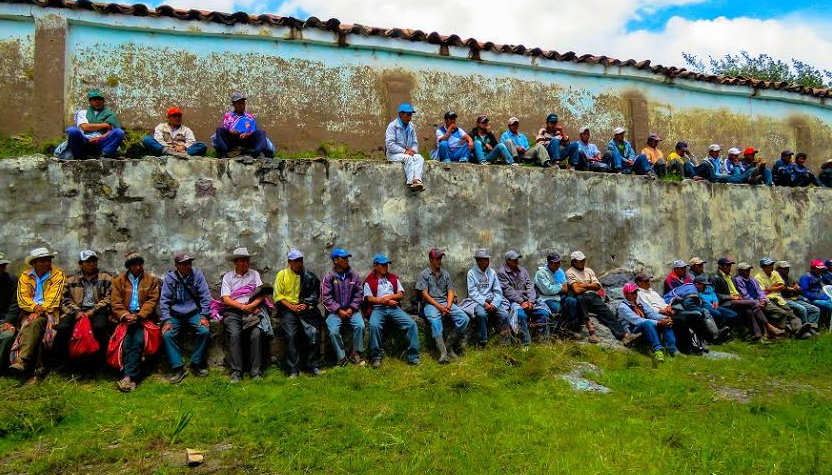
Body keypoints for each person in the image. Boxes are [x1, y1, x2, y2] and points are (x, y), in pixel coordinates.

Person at [8, 248, 66, 383]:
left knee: (36, 324)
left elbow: (54, 298)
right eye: (43, 261)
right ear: (34, 263)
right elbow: (22, 298)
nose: (47, 263)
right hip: (29, 312)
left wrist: (40, 311)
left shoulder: (58, 275)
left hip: (50, 312)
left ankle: (22, 361)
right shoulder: (25, 276)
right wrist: (34, 308)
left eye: (49, 260)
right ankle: (36, 372)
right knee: (36, 329)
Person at [218, 247, 271, 383]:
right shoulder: (228, 277)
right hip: (234, 311)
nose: (245, 264)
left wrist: (252, 306)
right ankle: (236, 372)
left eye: (246, 261)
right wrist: (242, 306)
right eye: (242, 261)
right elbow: (226, 298)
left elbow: (262, 294)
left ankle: (256, 372)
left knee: (256, 334)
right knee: (235, 335)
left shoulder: (254, 274)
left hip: (252, 310)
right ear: (235, 262)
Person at [55, 250, 112, 375]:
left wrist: (93, 310)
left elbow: (109, 298)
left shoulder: (106, 277)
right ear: (80, 264)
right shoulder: (71, 279)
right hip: (76, 310)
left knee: (99, 328)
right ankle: (69, 365)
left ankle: (97, 365)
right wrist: (77, 312)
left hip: (98, 310)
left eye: (94, 261)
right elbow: (64, 300)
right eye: (88, 261)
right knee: (63, 329)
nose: (92, 264)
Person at [110, 252, 161, 392]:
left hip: (142, 318)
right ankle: (131, 377)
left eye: (140, 264)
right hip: (126, 318)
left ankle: (127, 377)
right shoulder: (118, 281)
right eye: (135, 265)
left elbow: (152, 301)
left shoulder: (151, 280)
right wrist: (126, 315)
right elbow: (115, 302)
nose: (138, 267)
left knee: (138, 340)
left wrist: (139, 316)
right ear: (129, 267)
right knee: (126, 341)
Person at [160, 252, 212, 383]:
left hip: (193, 313)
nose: (188, 266)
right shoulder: (170, 279)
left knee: (204, 331)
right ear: (177, 265)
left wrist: (204, 316)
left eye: (189, 263)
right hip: (175, 314)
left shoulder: (197, 275)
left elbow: (205, 296)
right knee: (167, 335)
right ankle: (178, 367)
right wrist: (166, 319)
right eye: (184, 264)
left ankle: (196, 363)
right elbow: (164, 300)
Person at [566, 251, 638, 345]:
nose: (583, 262)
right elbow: (576, 290)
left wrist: (583, 285)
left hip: (592, 295)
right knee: (580, 299)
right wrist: (589, 285)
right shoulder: (570, 272)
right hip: (580, 297)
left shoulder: (589, 271)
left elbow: (597, 286)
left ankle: (624, 336)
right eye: (580, 261)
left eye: (584, 260)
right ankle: (591, 331)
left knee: (606, 312)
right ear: (574, 262)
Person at [364, 254, 420, 368]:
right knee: (374, 325)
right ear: (375, 266)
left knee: (411, 324)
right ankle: (376, 357)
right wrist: (384, 301)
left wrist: (389, 298)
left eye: (386, 265)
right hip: (377, 308)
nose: (386, 267)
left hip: (393, 308)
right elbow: (369, 298)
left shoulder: (393, 278)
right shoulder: (369, 280)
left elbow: (400, 294)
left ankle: (413, 356)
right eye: (383, 265)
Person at [274, 250, 323, 377]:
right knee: (291, 335)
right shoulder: (282, 275)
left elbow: (315, 293)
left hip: (305, 309)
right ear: (289, 262)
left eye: (300, 260)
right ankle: (293, 369)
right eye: (295, 261)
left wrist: (306, 304)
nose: (298, 263)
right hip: (288, 310)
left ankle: (313, 365)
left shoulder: (309, 276)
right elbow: (278, 296)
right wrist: (292, 307)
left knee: (314, 332)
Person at [416, 248, 469, 363]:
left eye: (440, 258)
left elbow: (450, 291)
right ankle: (443, 353)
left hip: (445, 303)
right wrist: (440, 307)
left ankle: (449, 346)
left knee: (464, 318)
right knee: (435, 323)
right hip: (430, 304)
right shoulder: (424, 274)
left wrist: (448, 306)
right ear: (430, 260)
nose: (439, 261)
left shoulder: (445, 274)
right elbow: (424, 295)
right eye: (436, 258)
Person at [710, 257, 782, 341]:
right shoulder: (715, 277)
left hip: (738, 300)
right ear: (720, 266)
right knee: (754, 303)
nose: (729, 267)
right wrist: (731, 297)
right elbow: (715, 295)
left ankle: (757, 336)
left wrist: (762, 300)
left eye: (730, 265)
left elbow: (753, 292)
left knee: (749, 311)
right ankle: (769, 327)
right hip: (727, 302)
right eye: (727, 265)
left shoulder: (731, 277)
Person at [321, 248, 365, 366]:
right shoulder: (329, 277)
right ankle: (341, 357)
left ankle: (355, 353)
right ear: (335, 260)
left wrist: (351, 308)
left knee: (360, 325)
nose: (346, 260)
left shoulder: (354, 276)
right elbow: (326, 298)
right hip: (334, 312)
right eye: (343, 258)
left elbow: (359, 294)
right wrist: (338, 310)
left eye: (347, 258)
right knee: (333, 331)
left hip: (352, 310)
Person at [497, 251, 551, 346]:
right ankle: (525, 344)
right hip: (514, 302)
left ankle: (544, 341)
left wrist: (531, 301)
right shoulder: (502, 273)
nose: (517, 261)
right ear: (508, 261)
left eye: (517, 259)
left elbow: (530, 286)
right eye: (514, 259)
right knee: (521, 315)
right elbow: (508, 291)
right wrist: (521, 302)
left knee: (544, 313)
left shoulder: (523, 270)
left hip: (528, 300)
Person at [460, 249, 511, 346]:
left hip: (492, 300)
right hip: (477, 301)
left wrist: (494, 304)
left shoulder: (492, 272)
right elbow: (472, 292)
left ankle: (505, 342)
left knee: (504, 314)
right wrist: (484, 303)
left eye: (487, 260)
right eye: (484, 260)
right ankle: (483, 341)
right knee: (481, 315)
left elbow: (498, 291)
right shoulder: (471, 273)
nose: (487, 262)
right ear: (478, 261)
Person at [733, 262, 797, 337]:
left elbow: (760, 291)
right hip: (751, 303)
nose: (748, 271)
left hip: (761, 301)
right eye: (746, 270)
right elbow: (744, 295)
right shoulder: (738, 280)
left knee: (782, 313)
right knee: (755, 311)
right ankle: (771, 331)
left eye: (749, 270)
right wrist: (758, 301)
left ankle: (780, 332)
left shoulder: (752, 279)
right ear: (740, 271)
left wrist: (763, 300)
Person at [753, 258, 812, 338]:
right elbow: (763, 292)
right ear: (763, 267)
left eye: (771, 265)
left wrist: (770, 288)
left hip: (779, 298)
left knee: (791, 313)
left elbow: (782, 286)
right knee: (782, 313)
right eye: (769, 265)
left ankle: (798, 330)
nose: (771, 267)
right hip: (768, 299)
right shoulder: (758, 277)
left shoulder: (775, 273)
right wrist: (774, 287)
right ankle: (787, 333)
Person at [619, 283, 676, 361]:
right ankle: (658, 350)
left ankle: (672, 349)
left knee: (665, 322)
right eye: (632, 293)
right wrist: (658, 323)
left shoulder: (639, 303)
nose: (635, 295)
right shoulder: (623, 307)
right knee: (648, 323)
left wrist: (664, 318)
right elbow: (637, 320)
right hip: (632, 330)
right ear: (626, 295)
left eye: (635, 292)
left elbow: (651, 314)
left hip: (644, 325)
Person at [64, 90, 125, 159]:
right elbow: (85, 127)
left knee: (119, 132)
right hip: (86, 140)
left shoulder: (110, 114)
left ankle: (105, 154)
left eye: (99, 99)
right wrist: (105, 125)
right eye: (94, 99)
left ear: (103, 101)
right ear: (90, 101)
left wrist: (100, 137)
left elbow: (111, 131)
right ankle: (80, 155)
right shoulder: (83, 113)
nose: (97, 101)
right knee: (72, 131)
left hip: (102, 141)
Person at [214, 92, 274, 159]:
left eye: (243, 103)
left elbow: (253, 130)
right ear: (234, 105)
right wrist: (232, 131)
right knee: (219, 130)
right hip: (234, 140)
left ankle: (255, 154)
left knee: (261, 132)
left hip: (247, 140)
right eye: (239, 104)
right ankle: (225, 153)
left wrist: (248, 134)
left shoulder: (249, 116)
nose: (242, 106)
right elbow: (226, 129)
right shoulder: (228, 116)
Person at [534, 252, 581, 337]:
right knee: (557, 308)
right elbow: (547, 290)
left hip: (559, 296)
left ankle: (574, 329)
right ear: (549, 263)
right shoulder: (541, 273)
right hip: (547, 298)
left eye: (559, 262)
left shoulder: (560, 271)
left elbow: (565, 288)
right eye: (555, 263)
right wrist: (559, 286)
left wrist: (555, 288)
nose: (558, 265)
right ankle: (555, 332)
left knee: (572, 301)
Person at [385, 103, 425, 191]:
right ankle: (411, 182)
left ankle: (417, 180)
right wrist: (404, 151)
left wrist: (413, 150)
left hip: (407, 153)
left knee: (419, 158)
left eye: (411, 115)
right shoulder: (392, 126)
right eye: (408, 115)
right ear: (400, 114)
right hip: (393, 154)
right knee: (408, 158)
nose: (410, 117)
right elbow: (390, 145)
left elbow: (415, 143)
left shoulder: (411, 126)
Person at [142, 107, 207, 158]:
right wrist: (168, 148)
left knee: (202, 145)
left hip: (181, 151)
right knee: (147, 139)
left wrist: (183, 147)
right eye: (174, 116)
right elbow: (158, 140)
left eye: (179, 116)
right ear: (168, 118)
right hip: (165, 150)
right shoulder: (161, 127)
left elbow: (191, 141)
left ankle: (180, 155)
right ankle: (173, 154)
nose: (177, 118)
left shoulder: (186, 129)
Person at [776, 261, 821, 333]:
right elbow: (779, 289)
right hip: (783, 299)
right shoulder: (776, 278)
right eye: (784, 268)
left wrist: (797, 287)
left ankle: (812, 328)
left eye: (787, 268)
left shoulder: (789, 277)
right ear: (778, 269)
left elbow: (798, 287)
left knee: (815, 310)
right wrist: (788, 288)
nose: (786, 270)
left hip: (794, 298)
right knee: (802, 309)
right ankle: (804, 330)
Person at [0, 253, 20, 375]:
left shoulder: (12, 280)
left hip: (4, 319)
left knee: (7, 336)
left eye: (2, 266)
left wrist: (8, 320)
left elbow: (15, 304)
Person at [799, 260, 832, 325]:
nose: (821, 270)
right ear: (813, 268)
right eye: (819, 269)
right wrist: (818, 296)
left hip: (821, 297)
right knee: (829, 305)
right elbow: (804, 292)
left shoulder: (820, 276)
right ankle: (828, 324)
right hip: (811, 299)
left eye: (822, 269)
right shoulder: (805, 277)